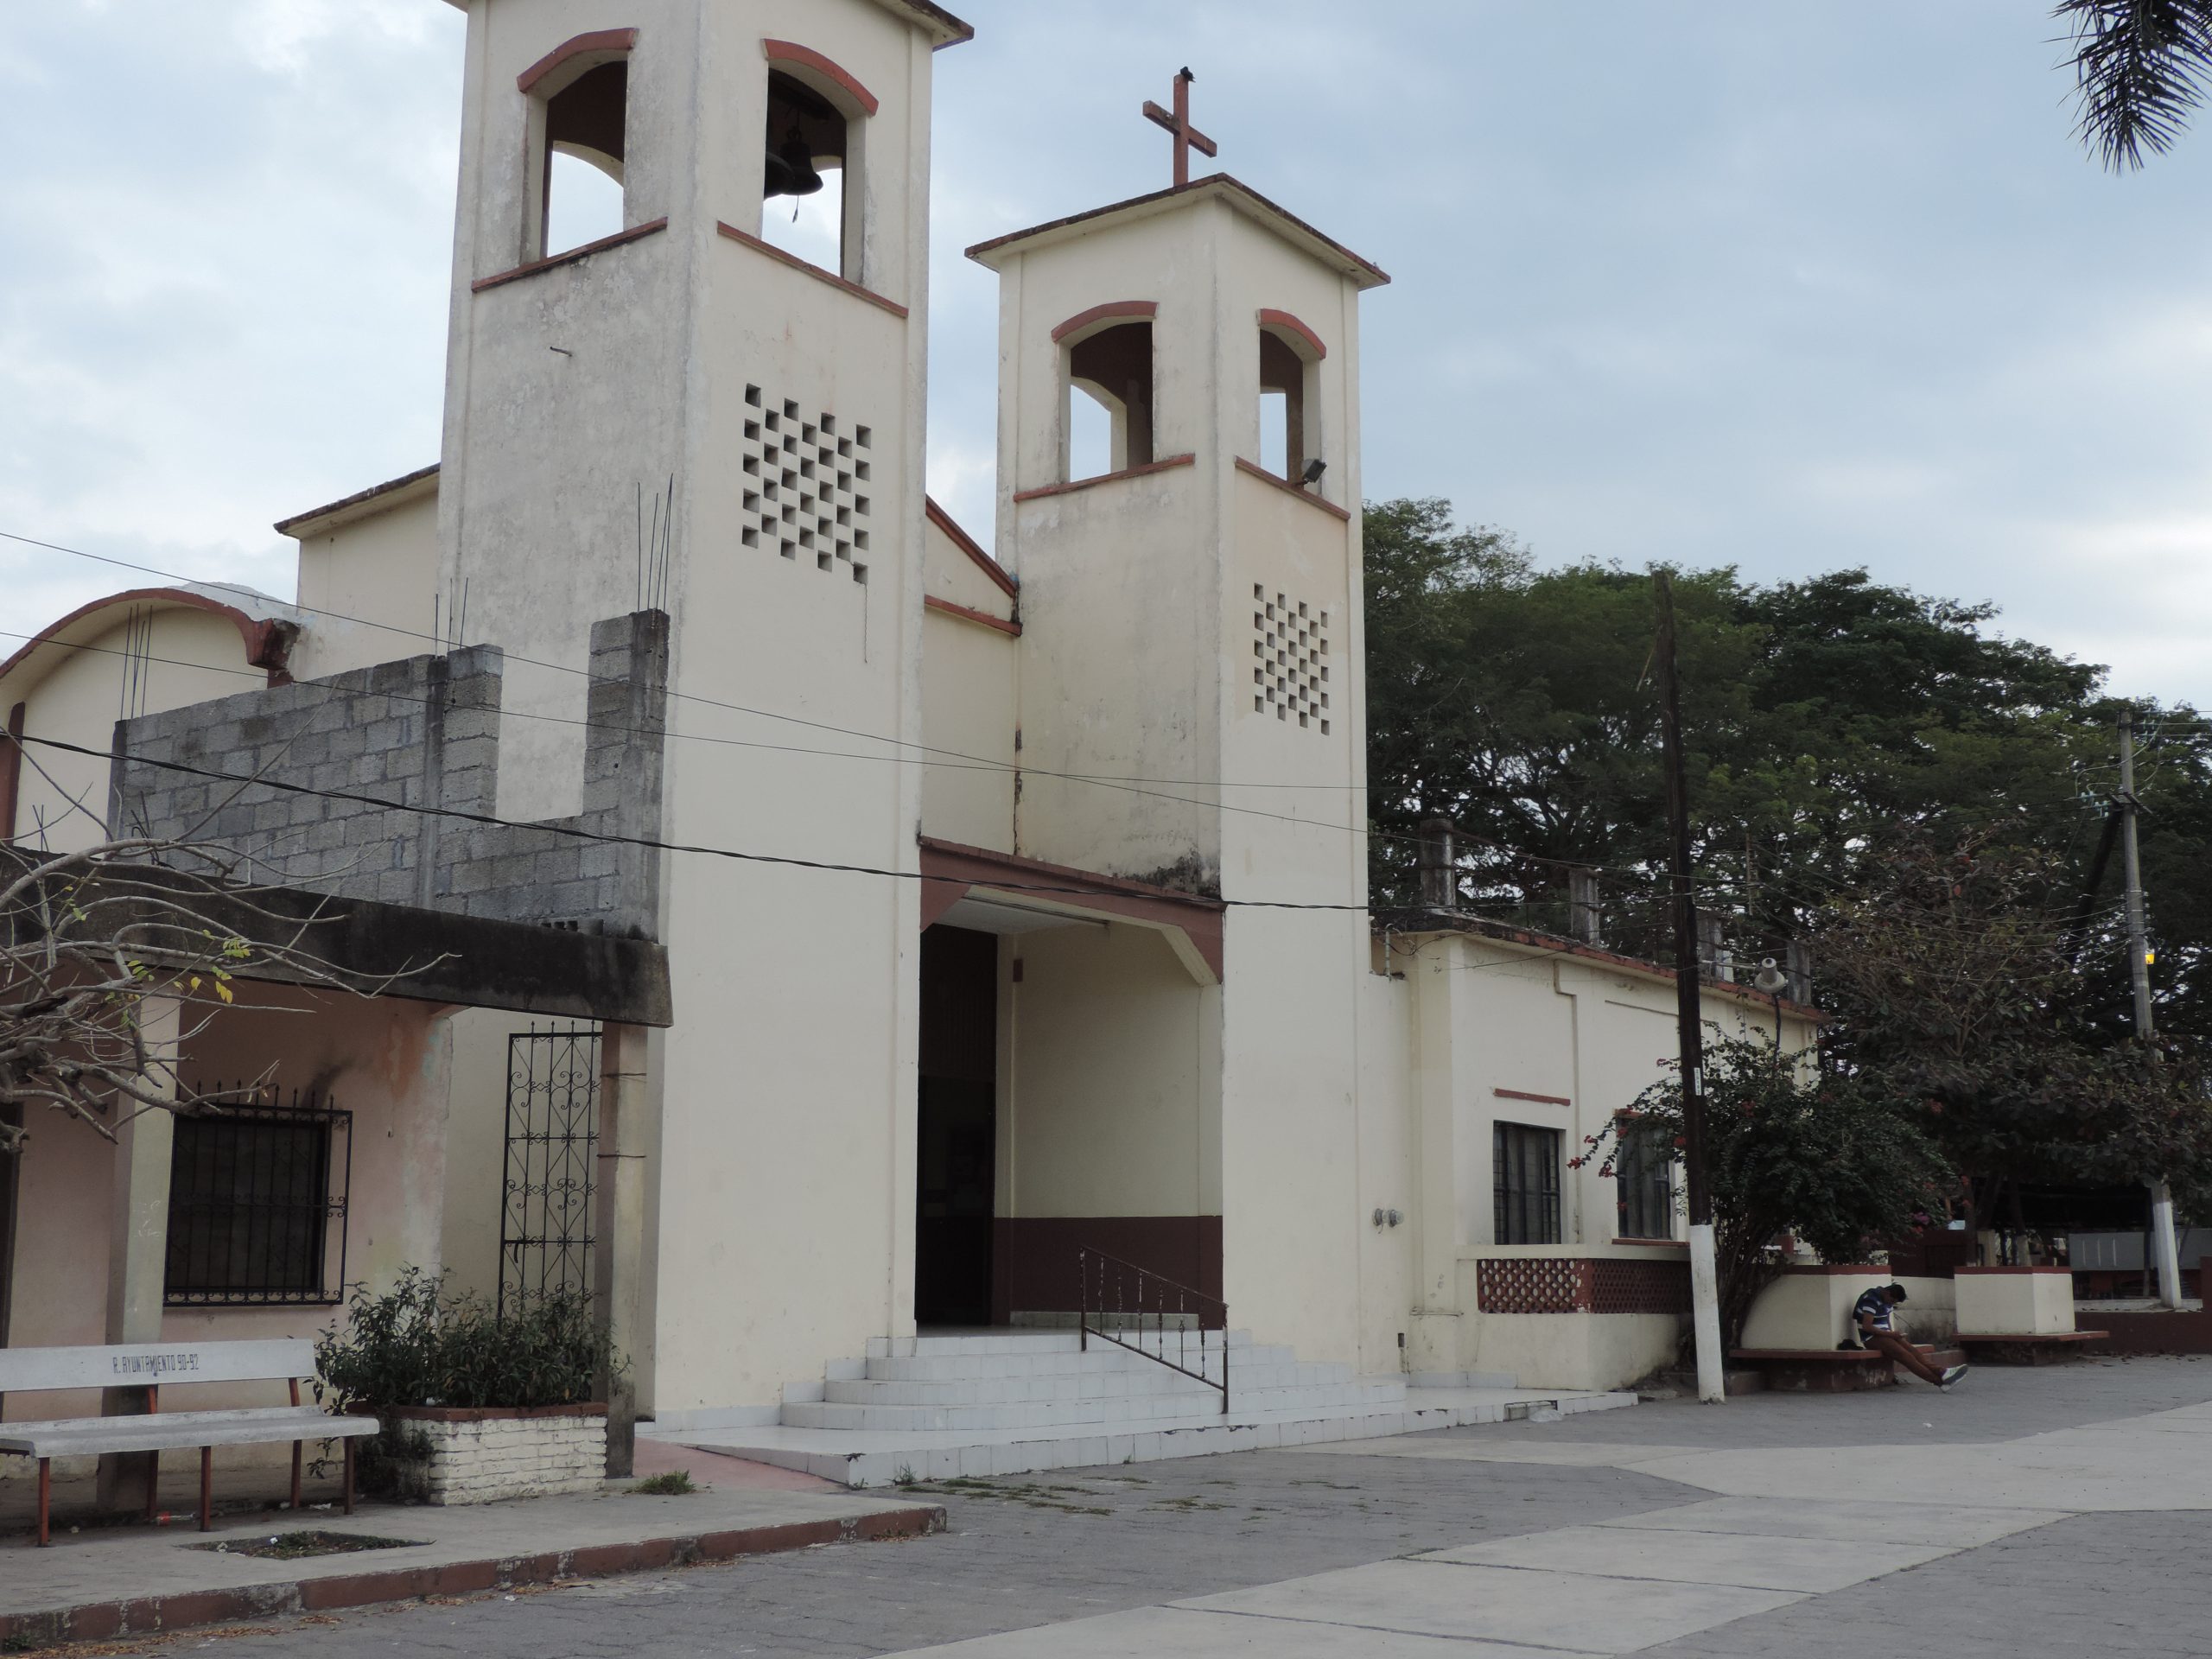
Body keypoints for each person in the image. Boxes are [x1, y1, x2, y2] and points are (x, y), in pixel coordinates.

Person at [1851, 1283, 1967, 1389]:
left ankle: (1942, 1372)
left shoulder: (1886, 1299)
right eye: (1892, 1300)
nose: (1891, 1303)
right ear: (1887, 1293)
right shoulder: (1871, 1300)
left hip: (1886, 1335)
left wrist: (1893, 1335)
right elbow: (1867, 1327)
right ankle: (1940, 1382)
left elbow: (1886, 1320)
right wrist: (1890, 1334)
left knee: (1912, 1350)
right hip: (1871, 1338)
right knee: (1905, 1356)